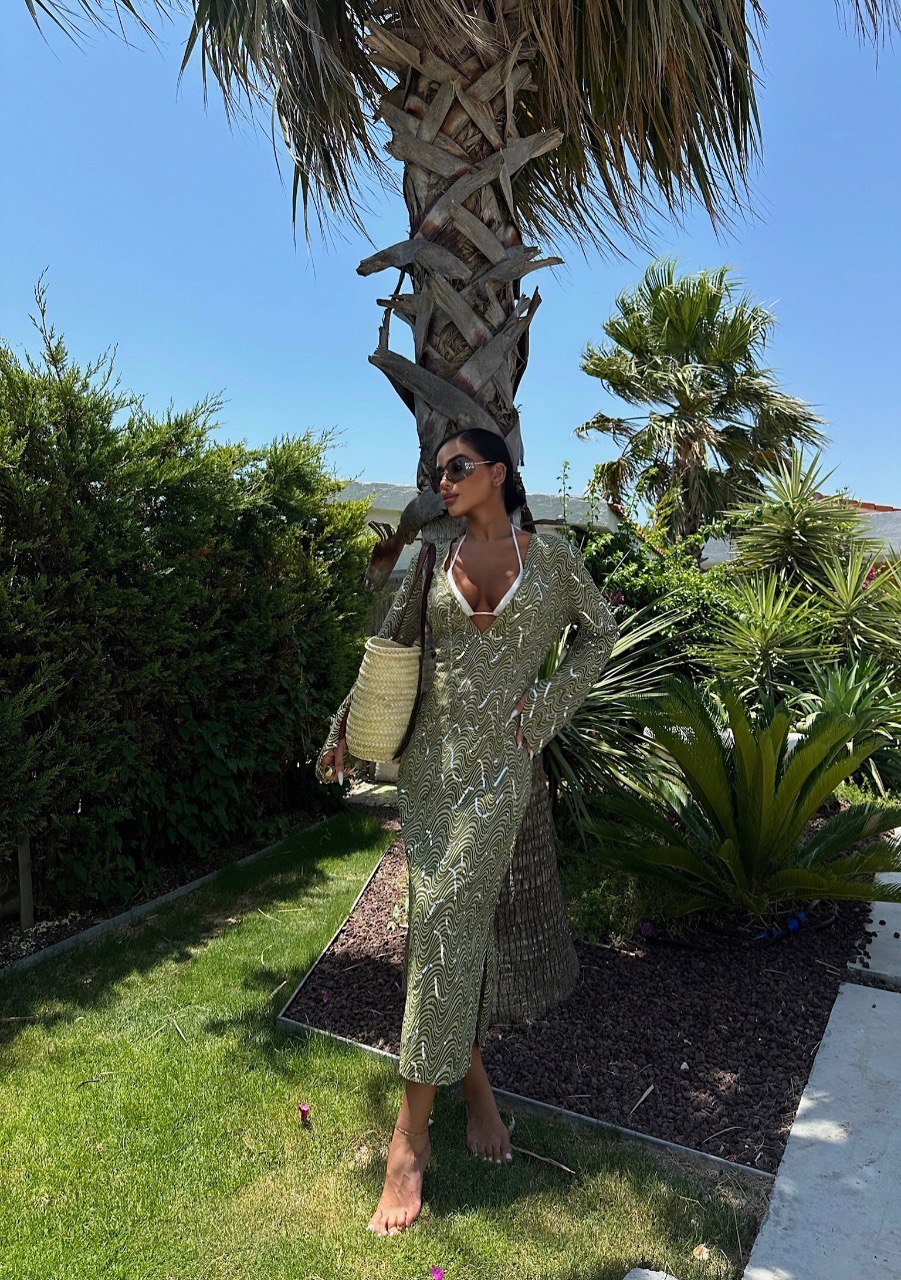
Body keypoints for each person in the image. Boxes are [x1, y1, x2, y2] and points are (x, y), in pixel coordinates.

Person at [315, 427, 618, 1236]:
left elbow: (599, 632)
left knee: (447, 920)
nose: (442, 480)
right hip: (428, 769)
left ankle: (408, 1141)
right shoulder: (431, 559)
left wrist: (545, 709)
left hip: (497, 773)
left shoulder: (553, 561)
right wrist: (345, 726)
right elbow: (391, 646)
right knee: (449, 929)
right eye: (435, 471)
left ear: (498, 472)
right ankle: (476, 1090)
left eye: (457, 468)